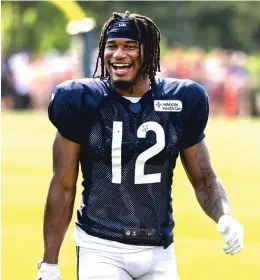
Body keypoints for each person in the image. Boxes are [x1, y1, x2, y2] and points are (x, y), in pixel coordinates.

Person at [36, 11, 244, 280]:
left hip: (160, 250)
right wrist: (49, 264)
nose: (118, 54)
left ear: (149, 52)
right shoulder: (82, 101)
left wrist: (224, 216)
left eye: (130, 46)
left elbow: (204, 179)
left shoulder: (180, 101)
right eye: (112, 46)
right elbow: (63, 186)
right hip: (101, 247)